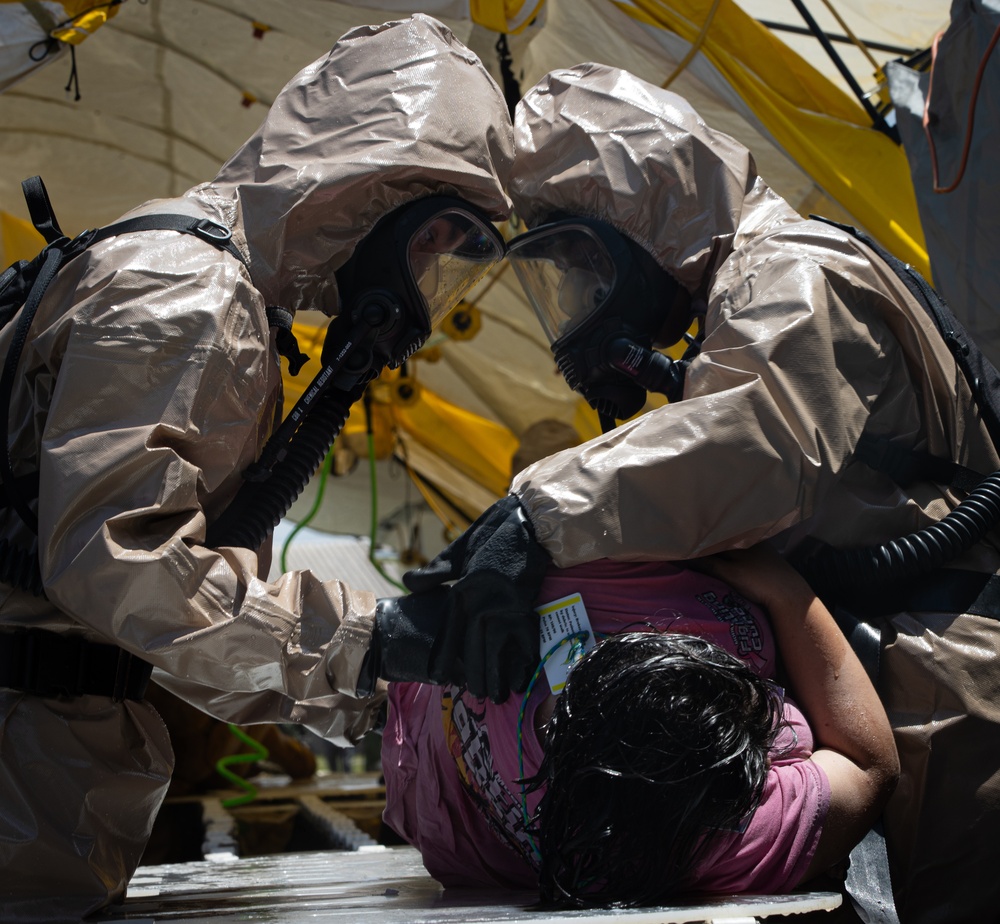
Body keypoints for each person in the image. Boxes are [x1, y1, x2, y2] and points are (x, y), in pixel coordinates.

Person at [403, 63, 1000, 922]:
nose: (578, 297)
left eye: (581, 258)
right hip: (900, 680)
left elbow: (753, 445)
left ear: (647, 205)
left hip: (942, 696)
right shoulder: (744, 296)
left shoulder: (793, 273)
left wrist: (532, 517)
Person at [0, 15, 535, 922]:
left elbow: (181, 608)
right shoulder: (189, 292)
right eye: (434, 240)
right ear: (369, 184)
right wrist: (382, 640)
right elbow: (122, 569)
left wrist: (365, 685)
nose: (427, 279)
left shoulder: (226, 296)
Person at [383, 546, 898, 907]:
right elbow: (870, 764)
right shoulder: (702, 847)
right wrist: (789, 594)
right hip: (427, 799)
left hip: (428, 761)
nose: (778, 706)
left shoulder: (581, 584)